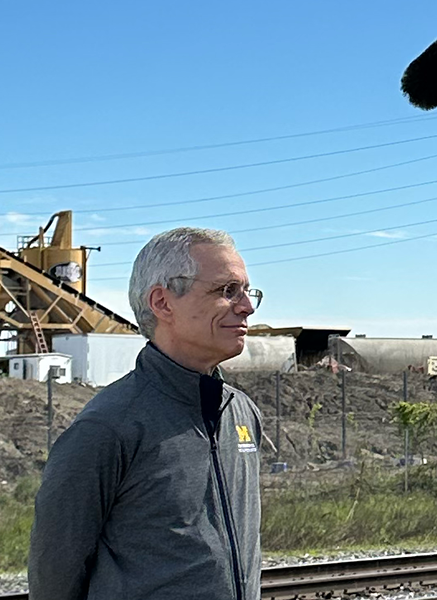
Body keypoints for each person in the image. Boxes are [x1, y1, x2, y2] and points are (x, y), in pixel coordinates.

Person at [29, 227, 267, 600]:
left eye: (247, 292)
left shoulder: (242, 414)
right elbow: (55, 572)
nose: (246, 307)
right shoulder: (107, 427)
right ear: (162, 302)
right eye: (226, 291)